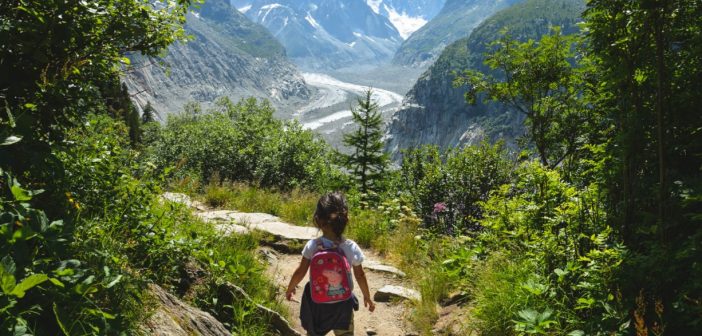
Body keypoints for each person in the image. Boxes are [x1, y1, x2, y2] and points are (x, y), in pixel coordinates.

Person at [286, 192, 375, 335]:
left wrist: (290, 288)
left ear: (317, 220)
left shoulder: (312, 245)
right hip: (343, 304)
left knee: (314, 332)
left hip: (317, 303)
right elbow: (360, 275)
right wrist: (367, 296)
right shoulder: (350, 247)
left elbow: (300, 271)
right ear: (346, 220)